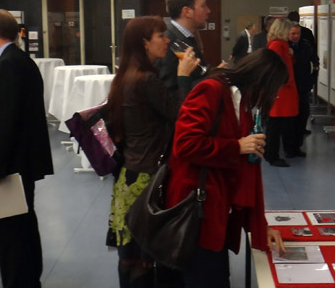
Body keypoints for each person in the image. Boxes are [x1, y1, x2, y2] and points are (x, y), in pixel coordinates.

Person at [165, 48, 288, 287]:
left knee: (216, 276)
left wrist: (260, 226)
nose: (272, 98)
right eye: (273, 91)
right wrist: (236, 147)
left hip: (216, 209)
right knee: (207, 277)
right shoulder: (211, 90)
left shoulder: (241, 101)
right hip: (196, 211)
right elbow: (184, 144)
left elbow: (247, 172)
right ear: (261, 81)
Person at [105, 15, 199, 288]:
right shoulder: (146, 80)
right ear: (144, 43)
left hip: (129, 177)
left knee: (130, 256)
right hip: (147, 178)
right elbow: (181, 117)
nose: (167, 40)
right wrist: (183, 78)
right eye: (161, 36)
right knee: (145, 259)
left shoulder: (124, 77)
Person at [0, 9, 53, 288]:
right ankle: (29, 277)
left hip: (10, 167)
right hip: (22, 163)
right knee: (24, 225)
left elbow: (4, 120)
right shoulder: (19, 61)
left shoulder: (8, 65)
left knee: (12, 233)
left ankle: (20, 281)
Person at [157, 0, 210, 93]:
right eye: (203, 6)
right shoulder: (169, 43)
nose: (208, 10)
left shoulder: (187, 38)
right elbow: (169, 93)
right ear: (187, 12)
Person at [264, 18, 299, 167]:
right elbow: (276, 66)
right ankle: (272, 155)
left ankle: (274, 153)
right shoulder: (277, 45)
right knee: (275, 124)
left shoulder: (280, 44)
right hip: (281, 90)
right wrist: (285, 81)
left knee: (277, 124)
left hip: (283, 89)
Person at [289, 24, 318, 157]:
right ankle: (289, 147)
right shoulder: (284, 47)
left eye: (297, 34)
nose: (295, 36)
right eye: (293, 34)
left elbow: (315, 64)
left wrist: (311, 81)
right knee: (289, 119)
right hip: (289, 88)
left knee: (302, 115)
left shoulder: (306, 46)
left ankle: (297, 146)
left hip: (303, 87)